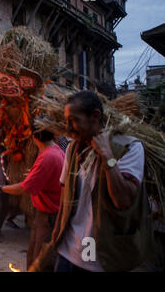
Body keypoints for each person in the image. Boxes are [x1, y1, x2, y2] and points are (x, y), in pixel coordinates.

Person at [30, 91, 152, 272]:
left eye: (74, 120)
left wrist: (107, 157)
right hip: (68, 252)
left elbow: (123, 200)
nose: (68, 127)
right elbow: (65, 192)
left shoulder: (128, 147)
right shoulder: (73, 148)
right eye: (66, 120)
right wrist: (57, 233)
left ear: (95, 116)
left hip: (103, 259)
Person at [0, 129, 64, 268]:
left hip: (47, 216)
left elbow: (23, 188)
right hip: (44, 214)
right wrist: (34, 174)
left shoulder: (47, 156)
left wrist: (0, 188)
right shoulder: (56, 150)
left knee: (40, 260)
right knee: (33, 254)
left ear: (36, 138)